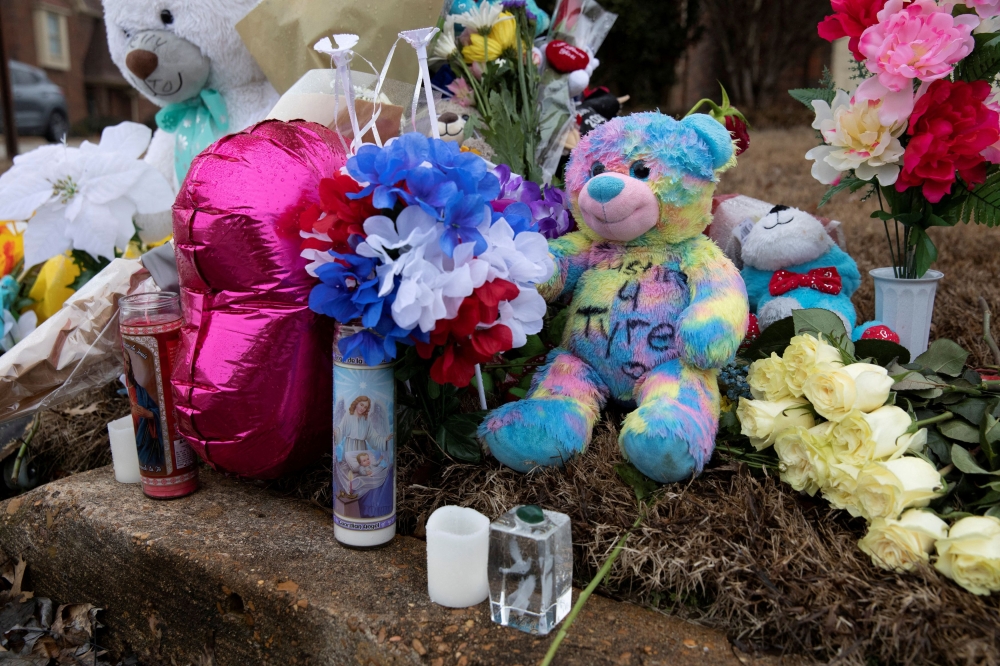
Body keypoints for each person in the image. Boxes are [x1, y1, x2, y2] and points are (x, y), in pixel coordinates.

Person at [124, 352, 165, 469]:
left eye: (128, 362)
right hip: (137, 439)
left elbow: (161, 410)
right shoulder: (128, 389)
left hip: (148, 441)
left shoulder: (143, 391)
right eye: (125, 362)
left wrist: (150, 414)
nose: (126, 366)